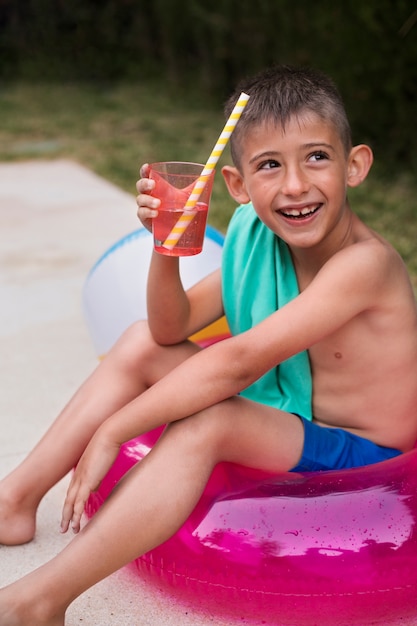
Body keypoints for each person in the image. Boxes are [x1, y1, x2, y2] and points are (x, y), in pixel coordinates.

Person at [1, 64, 417, 625]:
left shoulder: (364, 265)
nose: (295, 185)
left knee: (209, 420)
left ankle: (40, 600)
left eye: (316, 157)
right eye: (270, 165)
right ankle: (15, 501)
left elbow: (238, 362)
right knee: (140, 340)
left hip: (365, 452)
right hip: (295, 419)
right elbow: (170, 329)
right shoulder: (256, 237)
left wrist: (114, 429)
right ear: (239, 187)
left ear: (355, 166)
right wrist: (165, 248)